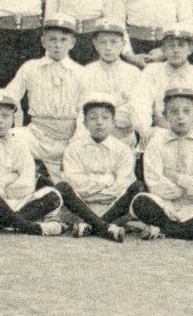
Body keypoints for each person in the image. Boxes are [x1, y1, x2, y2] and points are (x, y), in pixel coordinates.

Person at [0, 91, 65, 236]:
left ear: (13, 119)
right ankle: (33, 228)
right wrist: (10, 178)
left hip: (18, 201)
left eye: (5, 116)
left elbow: (27, 183)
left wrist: (0, 184)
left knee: (53, 196)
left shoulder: (19, 145)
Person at [133, 88, 193, 241]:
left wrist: (177, 178)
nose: (180, 117)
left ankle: (166, 229)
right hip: (165, 205)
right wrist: (188, 187)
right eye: (174, 112)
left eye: (186, 111)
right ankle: (181, 230)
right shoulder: (156, 143)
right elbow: (154, 182)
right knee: (141, 202)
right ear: (165, 116)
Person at [4, 13, 87, 182]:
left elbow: (84, 111)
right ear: (43, 41)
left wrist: (76, 141)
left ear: (72, 43)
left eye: (63, 40)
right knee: (9, 139)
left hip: (68, 139)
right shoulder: (31, 68)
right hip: (37, 136)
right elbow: (9, 97)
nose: (57, 45)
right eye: (52, 39)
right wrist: (13, 121)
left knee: (72, 184)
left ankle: (48, 179)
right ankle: (31, 174)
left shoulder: (81, 72)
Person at [52, 96, 145, 242]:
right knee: (62, 187)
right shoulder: (74, 148)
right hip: (82, 203)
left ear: (113, 122)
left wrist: (94, 185)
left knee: (138, 187)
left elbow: (123, 183)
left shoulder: (122, 150)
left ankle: (90, 225)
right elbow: (74, 181)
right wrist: (107, 180)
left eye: (105, 118)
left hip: (112, 204)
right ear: (85, 123)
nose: (99, 122)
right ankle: (106, 227)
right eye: (93, 118)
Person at [76, 19, 150, 147]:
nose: (108, 47)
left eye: (114, 42)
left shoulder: (134, 73)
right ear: (95, 44)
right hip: (93, 137)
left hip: (123, 136)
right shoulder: (86, 72)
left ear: (123, 44)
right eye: (103, 42)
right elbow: (83, 108)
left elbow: (138, 108)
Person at [137, 26, 193, 133]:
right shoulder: (152, 71)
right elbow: (140, 104)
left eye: (181, 45)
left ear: (191, 49)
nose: (176, 50)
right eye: (171, 46)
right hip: (162, 131)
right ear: (163, 50)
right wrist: (144, 130)